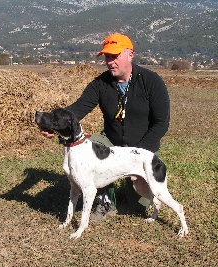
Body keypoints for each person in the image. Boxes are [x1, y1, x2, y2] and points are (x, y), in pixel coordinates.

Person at [41, 33, 170, 219]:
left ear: (130, 55)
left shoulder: (152, 82)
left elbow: (161, 123)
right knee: (94, 142)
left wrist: (137, 155)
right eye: (107, 57)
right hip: (111, 143)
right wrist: (53, 124)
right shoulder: (100, 83)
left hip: (141, 147)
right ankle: (105, 199)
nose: (110, 62)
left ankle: (128, 191)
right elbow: (77, 109)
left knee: (137, 206)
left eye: (115, 56)